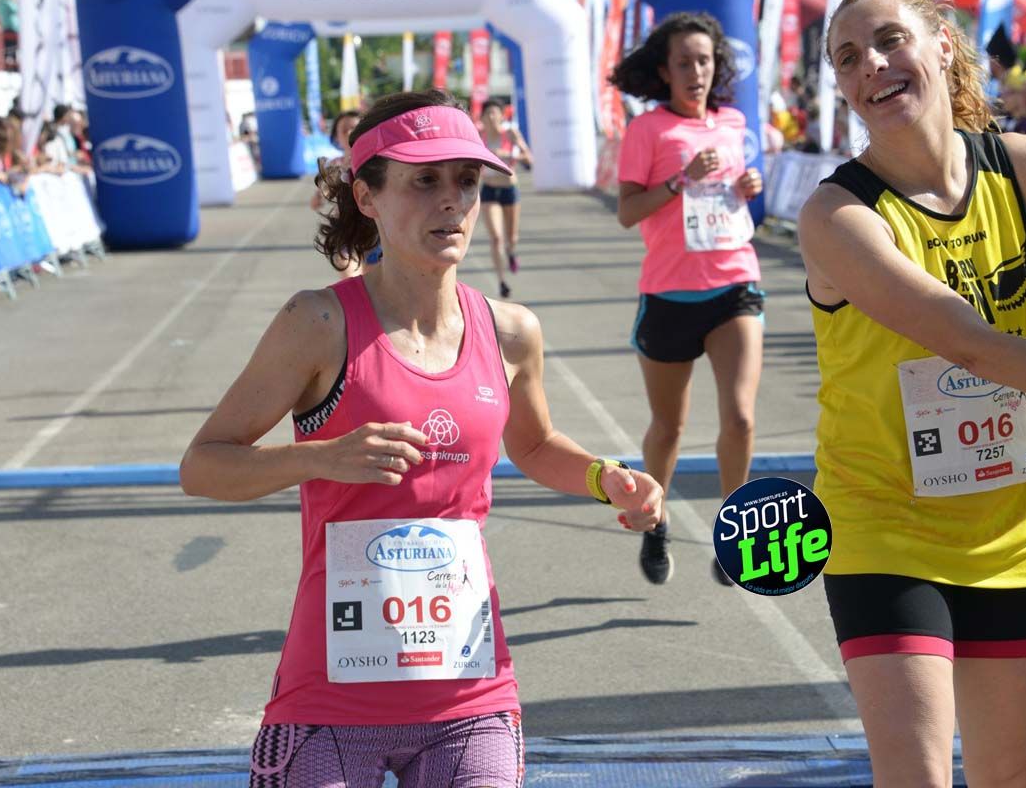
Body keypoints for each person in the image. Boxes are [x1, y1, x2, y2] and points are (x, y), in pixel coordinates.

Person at [179, 88, 664, 788]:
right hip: (329, 703)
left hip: (471, 697)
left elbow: (532, 446)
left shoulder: (510, 331)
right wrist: (321, 457)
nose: (452, 201)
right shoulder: (319, 323)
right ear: (367, 197)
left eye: (466, 181)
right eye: (424, 180)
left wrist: (605, 476)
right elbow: (202, 466)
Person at [800, 0, 1026, 784]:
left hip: (1017, 530)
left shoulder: (1018, 168)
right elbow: (969, 345)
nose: (871, 67)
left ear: (945, 48)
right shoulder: (837, 215)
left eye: (890, 42)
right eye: (848, 59)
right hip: (886, 530)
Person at [609, 12, 764, 586]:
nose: (696, 71)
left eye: (704, 61)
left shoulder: (733, 120)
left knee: (741, 416)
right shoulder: (648, 130)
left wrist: (748, 187)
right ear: (665, 71)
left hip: (734, 282)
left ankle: (736, 533)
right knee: (669, 427)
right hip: (670, 294)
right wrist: (676, 182)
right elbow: (628, 212)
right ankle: (655, 522)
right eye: (684, 62)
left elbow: (734, 195)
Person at [311, 109, 379, 278]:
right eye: (344, 130)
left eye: (354, 128)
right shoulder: (334, 165)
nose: (350, 133)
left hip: (376, 230)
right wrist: (321, 194)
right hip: (346, 230)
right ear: (336, 137)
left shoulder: (378, 163)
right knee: (352, 278)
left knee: (375, 284)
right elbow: (317, 199)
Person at [478, 98, 532, 299]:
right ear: (482, 118)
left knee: (511, 238)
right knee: (496, 238)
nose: (491, 117)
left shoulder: (510, 134)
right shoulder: (478, 137)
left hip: (510, 188)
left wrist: (511, 152)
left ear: (502, 115)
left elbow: (529, 160)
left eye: (495, 113)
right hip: (490, 190)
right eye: (487, 114)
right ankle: (502, 281)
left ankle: (511, 252)